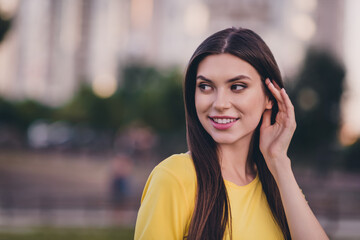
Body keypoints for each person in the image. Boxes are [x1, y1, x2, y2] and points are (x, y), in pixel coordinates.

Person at [134, 27, 328, 240]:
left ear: (270, 97)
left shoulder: (279, 183)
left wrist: (278, 160)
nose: (220, 104)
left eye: (237, 86)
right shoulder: (173, 178)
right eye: (206, 87)